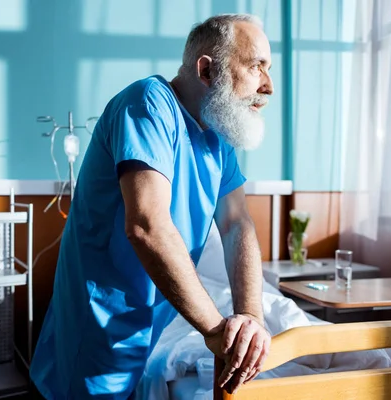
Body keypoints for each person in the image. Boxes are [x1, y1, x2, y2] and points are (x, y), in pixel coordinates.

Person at [30, 13, 274, 399]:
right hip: (101, 322)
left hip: (151, 319)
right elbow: (147, 226)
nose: (268, 86)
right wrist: (215, 330)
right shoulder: (148, 104)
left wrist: (250, 316)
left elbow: (236, 224)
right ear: (207, 71)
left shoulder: (217, 136)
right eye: (256, 66)